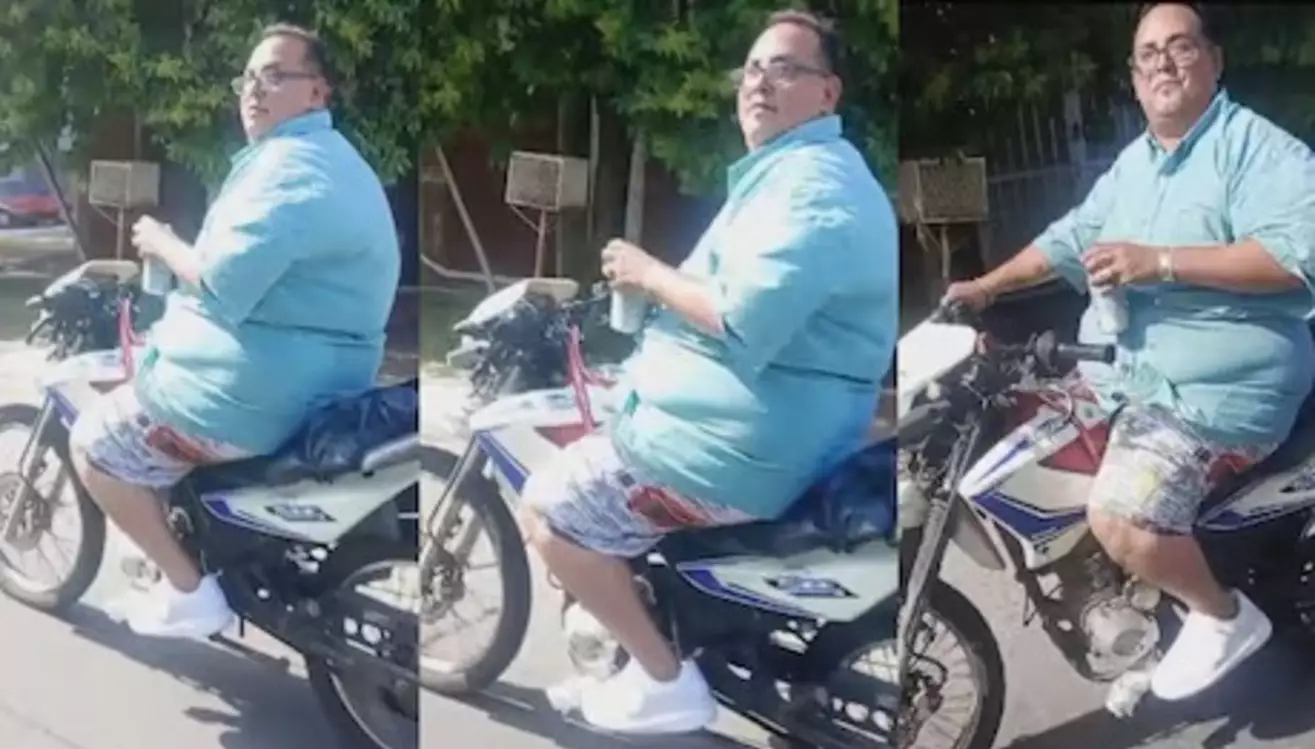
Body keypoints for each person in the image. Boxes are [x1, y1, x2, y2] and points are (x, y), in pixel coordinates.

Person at [517, 8, 897, 735]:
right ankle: (635, 651)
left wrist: (647, 272)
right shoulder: (784, 174)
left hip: (735, 446)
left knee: (547, 508)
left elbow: (742, 315)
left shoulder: (813, 186)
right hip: (740, 421)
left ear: (828, 93)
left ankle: (664, 679)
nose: (760, 82)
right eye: (752, 68)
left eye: (785, 68)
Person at [944, 2, 1315, 701]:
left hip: (1214, 392)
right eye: (1148, 54)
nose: (1163, 63)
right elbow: (1068, 238)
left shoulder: (1257, 149)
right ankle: (1128, 591)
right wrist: (986, 288)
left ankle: (1221, 616)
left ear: (1213, 60)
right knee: (1026, 448)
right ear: (1135, 77)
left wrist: (1162, 262)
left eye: (1180, 47)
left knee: (1120, 514)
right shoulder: (1136, 163)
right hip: (1124, 375)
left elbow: (1297, 259)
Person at [67, 23, 400, 639]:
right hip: (327, 378)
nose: (254, 90)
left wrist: (162, 242)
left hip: (252, 394)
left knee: (95, 445)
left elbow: (221, 281)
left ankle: (189, 592)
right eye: (247, 78)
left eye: (274, 76)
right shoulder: (335, 160)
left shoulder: (288, 170)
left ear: (317, 92)